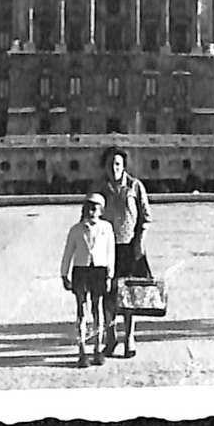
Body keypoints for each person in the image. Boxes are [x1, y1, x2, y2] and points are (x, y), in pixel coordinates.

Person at [93, 146, 152, 359]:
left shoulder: (135, 187)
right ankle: (111, 337)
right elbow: (90, 218)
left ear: (123, 166)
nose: (114, 168)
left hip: (129, 248)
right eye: (110, 165)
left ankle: (129, 337)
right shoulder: (99, 189)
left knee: (129, 296)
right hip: (106, 249)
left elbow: (145, 217)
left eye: (118, 164)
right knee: (106, 294)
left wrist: (140, 242)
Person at [60, 193, 115, 368]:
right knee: (81, 310)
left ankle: (98, 348)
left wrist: (109, 274)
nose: (92, 212)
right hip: (81, 271)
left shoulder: (106, 228)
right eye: (89, 208)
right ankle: (82, 348)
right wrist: (64, 273)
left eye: (95, 209)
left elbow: (110, 252)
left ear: (101, 211)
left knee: (97, 308)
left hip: (98, 270)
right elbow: (68, 252)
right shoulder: (76, 229)